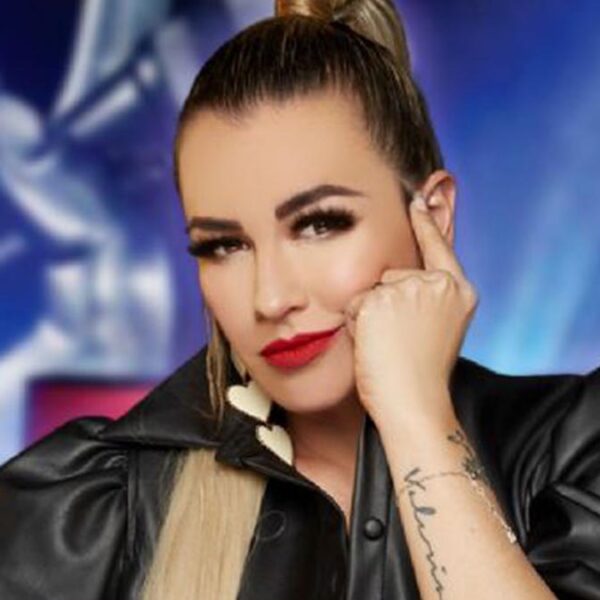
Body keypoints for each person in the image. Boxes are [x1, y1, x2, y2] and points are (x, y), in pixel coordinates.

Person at [1, 1, 599, 599]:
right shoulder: (96, 508)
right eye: (224, 245)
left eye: (320, 224)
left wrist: (415, 413)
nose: (271, 298)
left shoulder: (569, 449)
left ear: (433, 217)